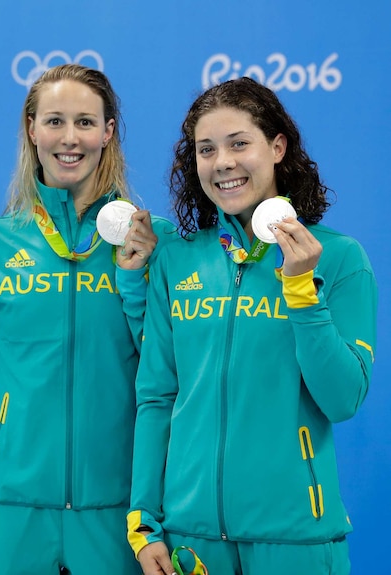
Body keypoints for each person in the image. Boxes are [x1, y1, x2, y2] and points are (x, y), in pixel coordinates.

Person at [0, 63, 172, 575]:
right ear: (31, 129)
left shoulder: (154, 243)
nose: (69, 138)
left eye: (85, 122)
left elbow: (169, 375)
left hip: (118, 514)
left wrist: (134, 280)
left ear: (108, 132)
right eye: (54, 121)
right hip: (8, 507)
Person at [127, 77, 377, 575]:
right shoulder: (177, 258)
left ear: (278, 146)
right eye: (206, 149)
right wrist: (143, 519)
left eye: (239, 143)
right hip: (190, 543)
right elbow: (157, 396)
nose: (223, 162)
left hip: (296, 540)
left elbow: (343, 399)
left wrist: (302, 290)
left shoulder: (340, 257)